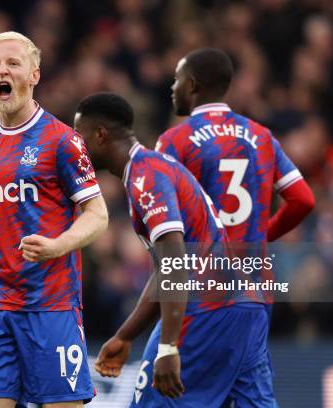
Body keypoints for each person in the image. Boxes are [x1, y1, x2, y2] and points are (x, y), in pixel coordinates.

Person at [0, 31, 108, 408]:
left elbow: (97, 215)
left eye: (13, 63)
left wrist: (58, 244)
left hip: (52, 306)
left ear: (34, 75)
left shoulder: (63, 141)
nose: (3, 70)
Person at [75, 92, 276, 407]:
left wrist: (169, 347)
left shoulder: (145, 178)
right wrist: (127, 334)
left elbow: (175, 264)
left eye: (79, 138)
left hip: (207, 308)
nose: (75, 149)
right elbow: (166, 269)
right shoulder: (156, 166)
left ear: (100, 135)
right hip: (244, 305)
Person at [156, 48, 315, 244]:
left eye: (177, 80)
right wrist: (263, 237)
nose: (173, 88)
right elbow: (303, 199)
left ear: (191, 86)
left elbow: (158, 212)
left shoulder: (174, 140)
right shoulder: (262, 136)